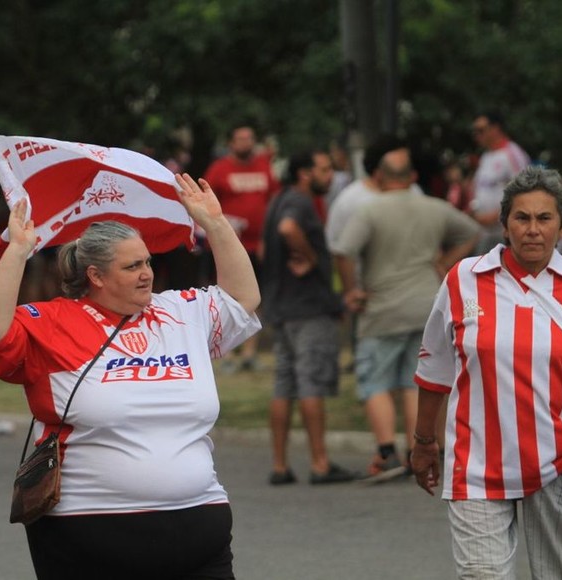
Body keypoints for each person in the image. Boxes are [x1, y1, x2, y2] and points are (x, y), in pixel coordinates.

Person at [0, 173, 261, 579]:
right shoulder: (54, 321)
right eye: (132, 266)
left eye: (148, 263)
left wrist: (215, 223)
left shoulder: (181, 311)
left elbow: (242, 300)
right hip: (89, 531)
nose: (146, 274)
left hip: (200, 526)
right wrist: (18, 250)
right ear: (96, 277)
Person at [412, 166, 562, 579]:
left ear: (560, 227)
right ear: (504, 224)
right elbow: (435, 367)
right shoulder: (464, 279)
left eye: (544, 218)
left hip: (556, 466)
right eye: (522, 217)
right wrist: (424, 441)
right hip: (477, 466)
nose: (533, 229)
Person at [332, 148, 479, 483]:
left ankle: (386, 453)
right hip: (428, 304)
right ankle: (423, 448)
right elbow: (471, 231)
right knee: (416, 381)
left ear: (380, 177)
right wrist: (445, 263)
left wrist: (352, 290)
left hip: (382, 308)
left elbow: (343, 250)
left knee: (376, 382)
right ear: (412, 177)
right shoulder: (434, 207)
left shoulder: (369, 211)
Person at [259, 150, 355, 486]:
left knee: (284, 385)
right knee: (310, 382)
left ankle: (280, 465)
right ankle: (320, 463)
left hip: (281, 308)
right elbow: (289, 230)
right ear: (304, 173)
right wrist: (310, 257)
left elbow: (263, 246)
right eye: (324, 169)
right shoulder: (299, 202)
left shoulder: (277, 200)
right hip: (308, 309)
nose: (329, 177)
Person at [203, 124, 279, 372]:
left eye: (250, 138)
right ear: (231, 143)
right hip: (229, 245)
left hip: (258, 245)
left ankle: (249, 352)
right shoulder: (220, 169)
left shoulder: (264, 166)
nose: (246, 143)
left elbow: (273, 201)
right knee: (226, 297)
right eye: (240, 139)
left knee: (254, 296)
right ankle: (225, 354)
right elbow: (205, 201)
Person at [469, 111, 530, 253]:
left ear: (495, 128)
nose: (477, 135)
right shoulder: (486, 156)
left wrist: (497, 215)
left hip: (506, 232)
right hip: (484, 232)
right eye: (475, 131)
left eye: (481, 130)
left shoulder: (512, 153)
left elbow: (525, 191)